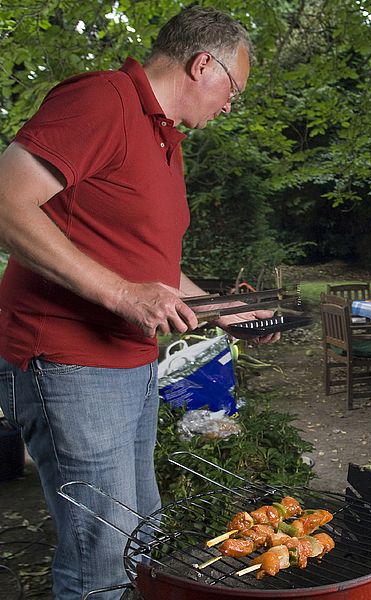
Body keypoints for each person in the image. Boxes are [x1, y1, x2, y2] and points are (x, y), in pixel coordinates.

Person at [0, 7, 275, 599]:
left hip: (129, 364)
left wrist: (224, 309)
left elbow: (149, 264)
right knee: (103, 556)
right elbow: (6, 202)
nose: (230, 106)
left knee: (140, 533)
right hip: (68, 360)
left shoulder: (164, 138)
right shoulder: (104, 101)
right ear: (203, 65)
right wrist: (122, 295)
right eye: (233, 90)